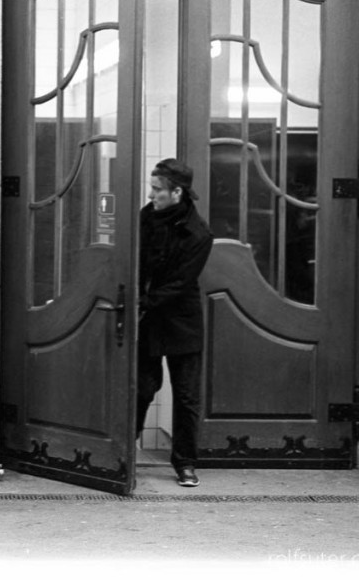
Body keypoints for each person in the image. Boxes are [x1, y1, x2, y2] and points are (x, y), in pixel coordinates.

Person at [137, 158, 213, 487]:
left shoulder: (199, 233)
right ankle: (127, 447)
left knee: (186, 396)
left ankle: (185, 463)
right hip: (149, 318)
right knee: (141, 387)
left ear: (177, 192)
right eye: (151, 188)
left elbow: (180, 283)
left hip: (181, 320)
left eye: (157, 190)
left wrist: (143, 303)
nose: (151, 195)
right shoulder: (145, 216)